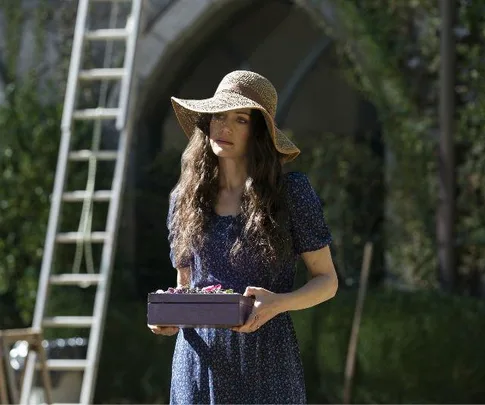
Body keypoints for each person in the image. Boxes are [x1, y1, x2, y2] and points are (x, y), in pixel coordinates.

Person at [148, 70, 338, 404]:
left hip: (267, 363)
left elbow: (327, 280)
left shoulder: (291, 193)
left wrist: (279, 303)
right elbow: (186, 285)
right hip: (197, 365)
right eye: (218, 116)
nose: (224, 127)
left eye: (240, 119)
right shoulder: (185, 199)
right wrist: (170, 317)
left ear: (260, 132)